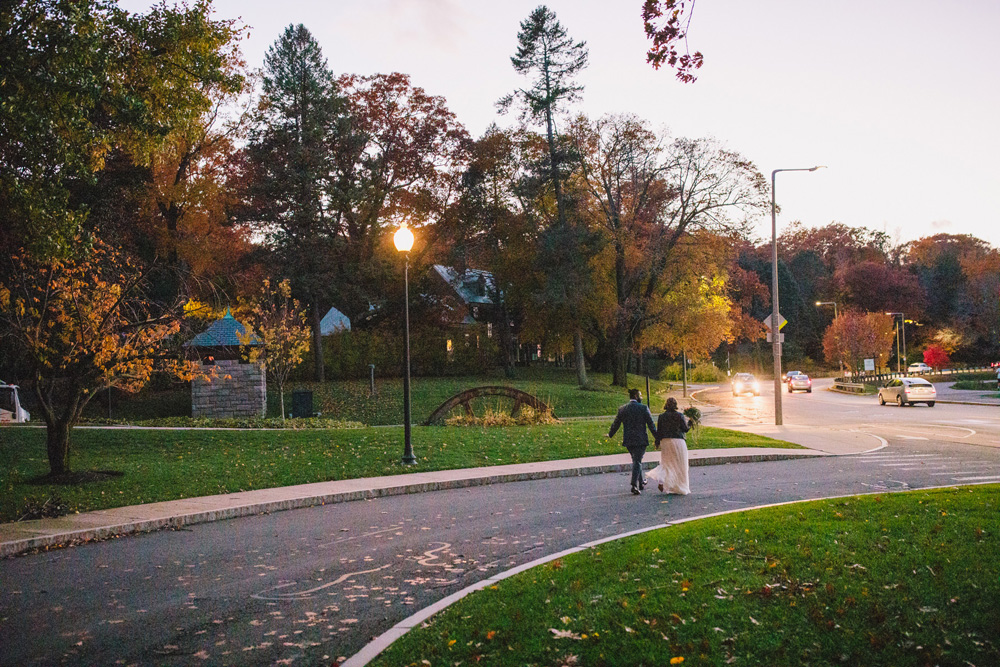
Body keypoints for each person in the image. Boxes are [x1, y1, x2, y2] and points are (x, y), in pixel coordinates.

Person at [608, 388, 657, 495]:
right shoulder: (643, 408)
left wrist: (610, 434)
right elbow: (651, 424)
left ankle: (641, 482)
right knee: (637, 461)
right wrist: (657, 437)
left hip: (629, 439)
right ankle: (634, 485)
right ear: (635, 396)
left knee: (636, 460)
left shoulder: (623, 409)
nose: (641, 397)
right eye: (640, 395)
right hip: (640, 439)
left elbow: (616, 423)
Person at [647, 397, 692, 495]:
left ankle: (662, 481)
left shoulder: (661, 416)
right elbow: (685, 429)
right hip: (678, 441)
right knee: (679, 464)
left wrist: (657, 442)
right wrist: (690, 423)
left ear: (666, 405)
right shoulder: (679, 415)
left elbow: (659, 431)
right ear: (675, 405)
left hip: (666, 441)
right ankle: (679, 485)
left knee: (667, 463)